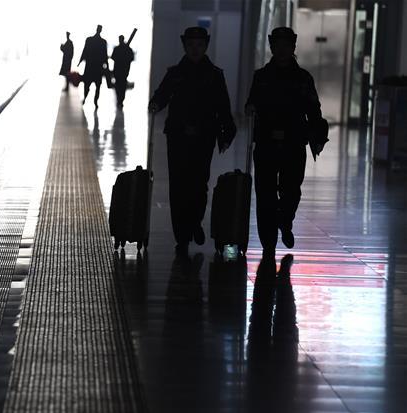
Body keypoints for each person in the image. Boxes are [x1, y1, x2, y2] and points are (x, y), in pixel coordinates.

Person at [148, 26, 236, 254]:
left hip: (203, 136)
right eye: (190, 45)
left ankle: (195, 221)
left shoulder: (215, 75)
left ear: (205, 46)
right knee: (178, 185)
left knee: (198, 184)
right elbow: (162, 93)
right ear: (185, 47)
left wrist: (227, 132)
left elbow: (223, 106)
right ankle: (182, 235)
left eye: (199, 45)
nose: (195, 49)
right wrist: (156, 104)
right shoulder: (175, 73)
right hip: (177, 136)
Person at [245, 27, 326, 252]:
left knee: (291, 189)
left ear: (293, 48)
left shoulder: (303, 78)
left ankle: (285, 221)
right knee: (265, 192)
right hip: (266, 141)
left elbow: (314, 109)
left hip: (294, 142)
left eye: (286, 46)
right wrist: (249, 108)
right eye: (277, 45)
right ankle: (268, 241)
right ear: (272, 47)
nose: (282, 50)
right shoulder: (261, 77)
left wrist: (318, 135)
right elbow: (251, 101)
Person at [78, 25, 108, 107]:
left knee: (87, 84)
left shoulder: (89, 40)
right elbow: (105, 55)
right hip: (98, 67)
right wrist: (106, 66)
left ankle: (86, 98)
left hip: (90, 66)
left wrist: (80, 61)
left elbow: (85, 51)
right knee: (97, 86)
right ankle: (95, 101)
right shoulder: (103, 42)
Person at [110, 34, 135, 108]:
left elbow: (113, 57)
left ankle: (120, 100)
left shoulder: (117, 49)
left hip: (120, 71)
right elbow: (131, 58)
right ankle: (120, 100)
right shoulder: (126, 49)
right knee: (121, 86)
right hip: (123, 71)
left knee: (119, 86)